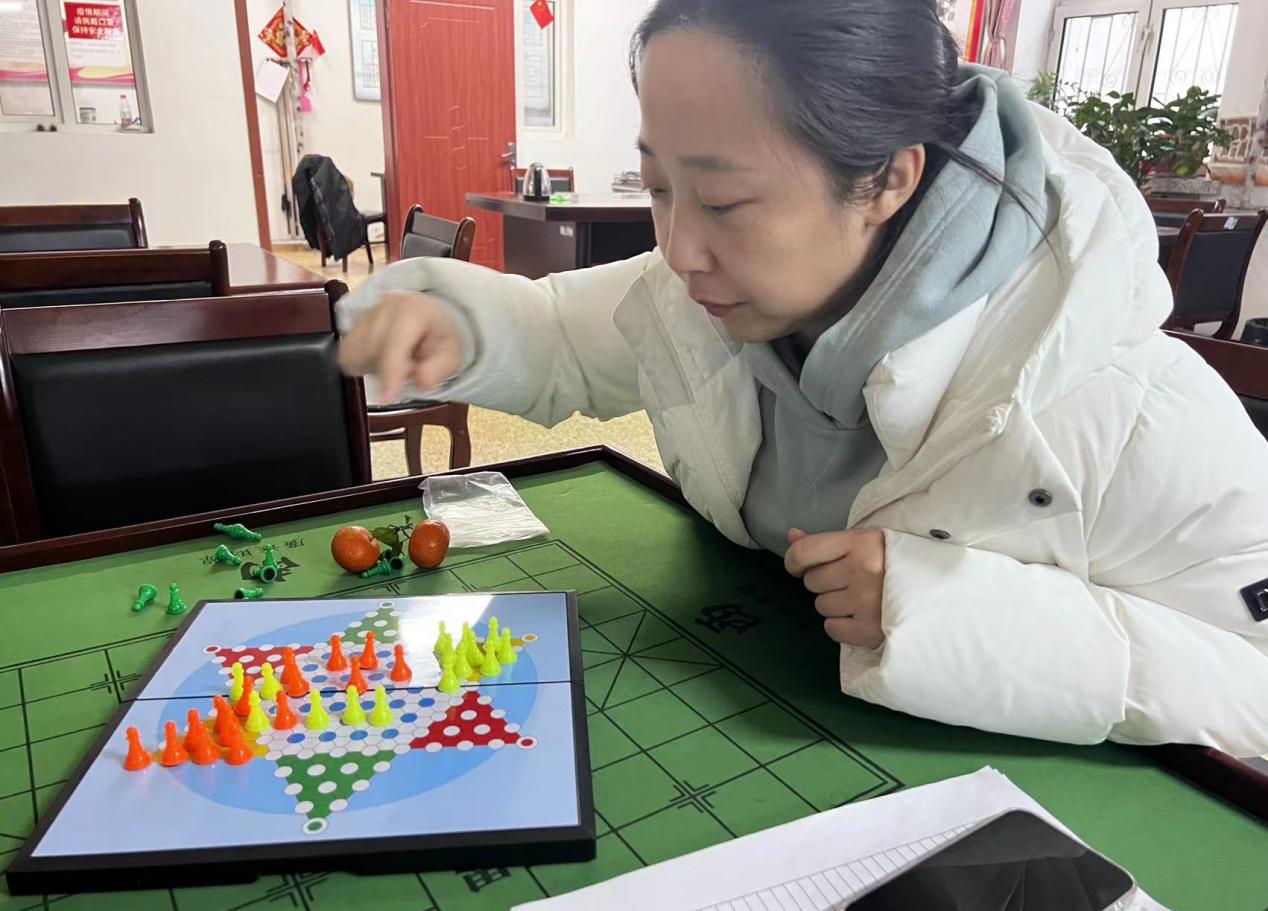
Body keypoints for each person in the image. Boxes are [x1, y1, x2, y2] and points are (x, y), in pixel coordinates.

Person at [337, 0, 1268, 755]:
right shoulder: (703, 297)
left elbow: (1254, 686)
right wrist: (458, 324)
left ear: (888, 179)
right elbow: (563, 335)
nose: (679, 250)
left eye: (724, 199)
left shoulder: (1125, 405)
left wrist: (952, 612)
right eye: (658, 187)